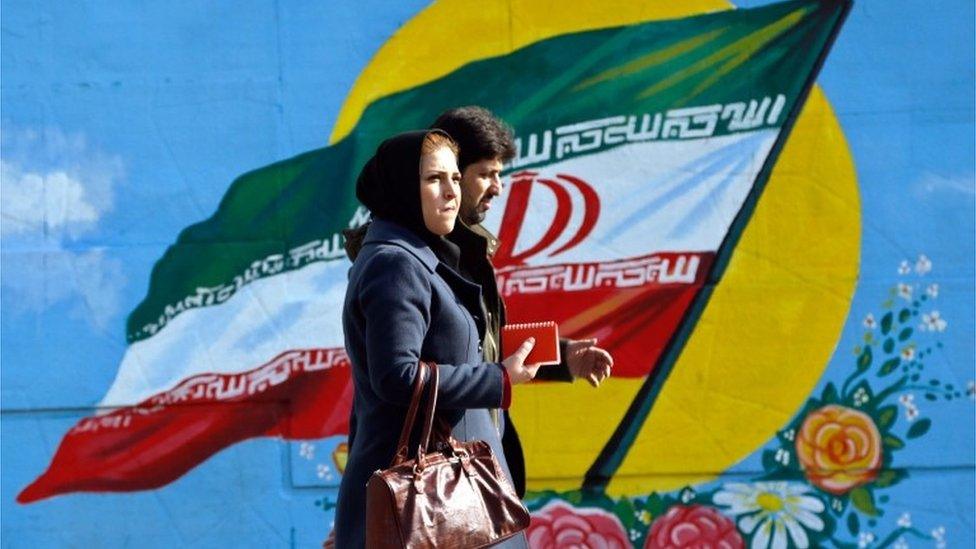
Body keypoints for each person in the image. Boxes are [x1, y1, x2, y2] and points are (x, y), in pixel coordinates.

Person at [336, 129, 536, 548]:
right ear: (403, 187)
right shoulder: (396, 263)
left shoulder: (417, 256)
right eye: (434, 180)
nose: (451, 192)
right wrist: (496, 379)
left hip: (450, 498)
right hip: (431, 501)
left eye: (454, 178)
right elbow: (395, 376)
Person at [431, 106, 615, 497]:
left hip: (476, 468)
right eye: (486, 174)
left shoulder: (470, 250)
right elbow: (402, 376)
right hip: (439, 480)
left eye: (499, 175)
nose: (498, 187)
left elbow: (478, 347)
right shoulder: (412, 258)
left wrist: (563, 358)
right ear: (450, 175)